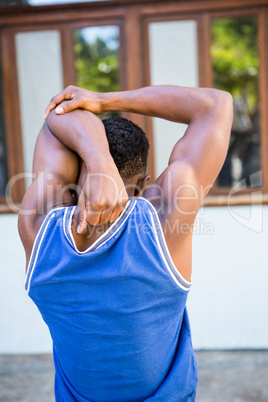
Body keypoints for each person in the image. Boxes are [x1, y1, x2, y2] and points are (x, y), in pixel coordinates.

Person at [18, 85, 233, 401]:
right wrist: (105, 101)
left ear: (73, 169)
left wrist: (97, 160)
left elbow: (57, 116)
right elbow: (215, 105)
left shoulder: (37, 230)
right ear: (145, 185)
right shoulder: (164, 222)